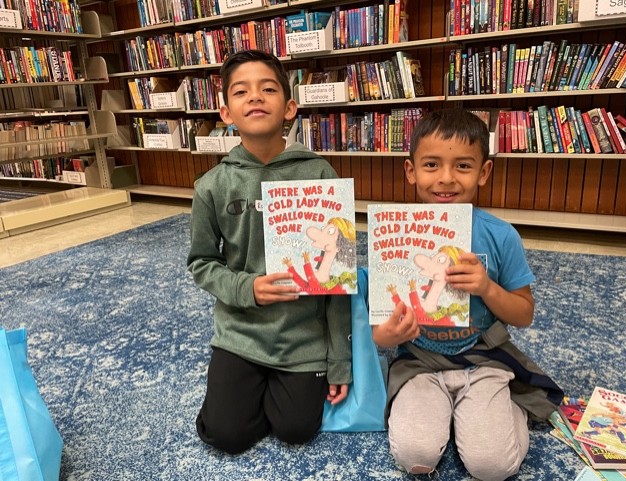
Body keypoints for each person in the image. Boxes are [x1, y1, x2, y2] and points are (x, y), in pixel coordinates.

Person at [372, 109, 563, 481]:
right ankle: (457, 415)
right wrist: (387, 336)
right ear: (410, 171)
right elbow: (379, 330)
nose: (446, 179)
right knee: (415, 457)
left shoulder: (501, 234)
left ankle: (504, 407)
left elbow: (524, 314)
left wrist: (487, 287)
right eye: (431, 165)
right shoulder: (394, 234)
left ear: (484, 172)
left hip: (484, 360)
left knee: (492, 467)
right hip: (420, 362)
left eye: (462, 166)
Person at [187, 50, 352, 455]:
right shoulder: (211, 185)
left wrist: (340, 360)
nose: (256, 97)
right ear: (226, 112)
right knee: (226, 435)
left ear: (290, 107)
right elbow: (202, 263)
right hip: (241, 331)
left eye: (268, 89)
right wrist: (248, 289)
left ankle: (266, 391)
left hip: (303, 335)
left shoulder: (320, 174)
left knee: (296, 429)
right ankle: (239, 391)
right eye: (242, 91)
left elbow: (338, 274)